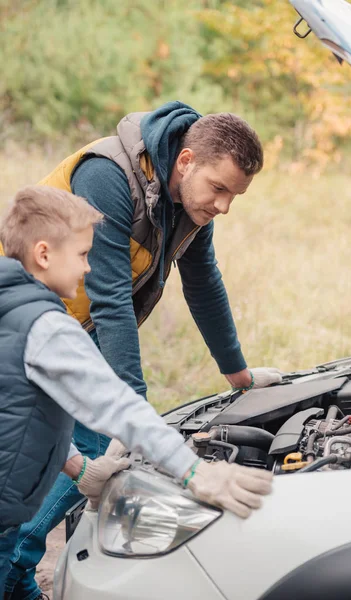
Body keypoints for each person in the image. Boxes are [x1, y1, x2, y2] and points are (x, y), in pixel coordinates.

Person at [2, 101, 282, 600]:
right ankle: (17, 567)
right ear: (187, 160)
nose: (223, 206)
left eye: (234, 196)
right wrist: (131, 418)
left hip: (70, 327)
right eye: (219, 189)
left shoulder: (185, 204)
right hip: (39, 327)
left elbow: (203, 283)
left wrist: (236, 373)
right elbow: (110, 300)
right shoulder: (109, 177)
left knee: (74, 454)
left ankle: (41, 570)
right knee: (69, 449)